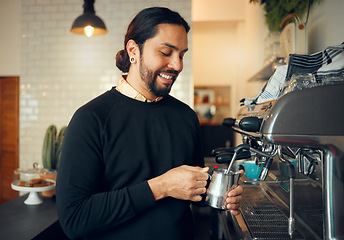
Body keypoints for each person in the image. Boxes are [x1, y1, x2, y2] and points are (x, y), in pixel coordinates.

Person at [56, 7, 243, 240]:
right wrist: (161, 187)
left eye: (182, 55)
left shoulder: (186, 116)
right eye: (166, 52)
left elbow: (195, 190)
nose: (177, 65)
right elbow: (75, 219)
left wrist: (220, 194)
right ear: (134, 51)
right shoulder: (91, 118)